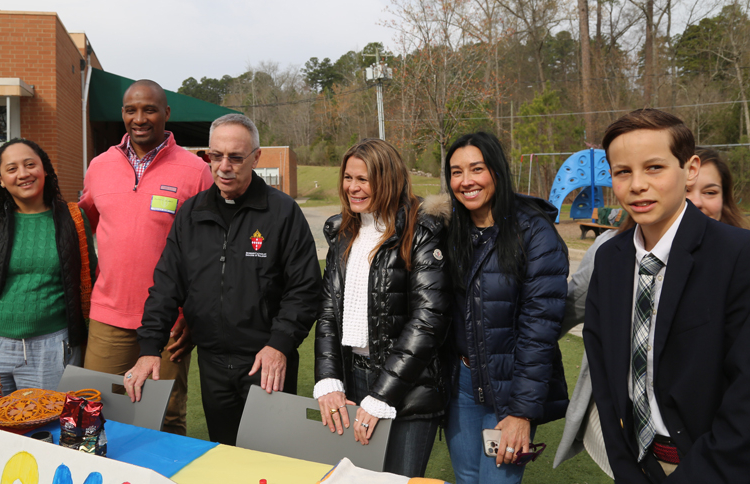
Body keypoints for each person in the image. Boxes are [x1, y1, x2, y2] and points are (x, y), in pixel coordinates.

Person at [125, 113, 322, 446]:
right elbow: (167, 283)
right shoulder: (191, 213)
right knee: (225, 457)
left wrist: (279, 345)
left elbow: (304, 289)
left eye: (235, 157)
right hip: (213, 363)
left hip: (265, 362)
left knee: (270, 462)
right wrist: (149, 347)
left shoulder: (283, 213)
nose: (223, 166)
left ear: (256, 157)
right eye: (215, 156)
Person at [554, 146, 746, 475]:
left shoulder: (738, 260)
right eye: (687, 192)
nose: (695, 201)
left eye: (710, 191)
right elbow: (579, 317)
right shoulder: (613, 254)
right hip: (637, 450)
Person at [79, 80, 213, 436]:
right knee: (94, 408)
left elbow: (210, 251)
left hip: (171, 321)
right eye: (131, 110)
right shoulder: (99, 167)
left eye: (149, 109)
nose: (139, 118)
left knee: (166, 417)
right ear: (122, 114)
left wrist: (190, 312)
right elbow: (87, 227)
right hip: (109, 316)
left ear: (166, 114)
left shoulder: (196, 171)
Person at [313, 139, 450, 478]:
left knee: (397, 479)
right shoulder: (343, 232)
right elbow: (329, 311)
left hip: (408, 390)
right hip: (354, 378)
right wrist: (329, 378)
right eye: (348, 177)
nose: (353, 188)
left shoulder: (421, 231)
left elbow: (428, 321)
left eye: (364, 179)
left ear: (388, 180)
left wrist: (382, 395)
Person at [442, 132, 569, 483]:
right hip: (462, 383)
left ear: (496, 171)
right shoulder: (452, 230)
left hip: (508, 387)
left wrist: (522, 413)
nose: (465, 181)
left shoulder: (534, 232)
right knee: (466, 477)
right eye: (455, 172)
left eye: (476, 169)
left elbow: (540, 330)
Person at [0, 138, 96, 393]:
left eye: (30, 164)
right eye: (12, 168)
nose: (23, 174)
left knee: (46, 430)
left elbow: (90, 280)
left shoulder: (73, 219)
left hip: (52, 350)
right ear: (1, 179)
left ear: (45, 169)